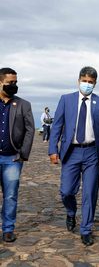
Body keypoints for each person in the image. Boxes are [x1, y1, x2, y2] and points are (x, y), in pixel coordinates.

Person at [49, 66, 99, 246]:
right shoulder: (66, 100)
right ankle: (71, 212)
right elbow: (57, 126)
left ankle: (86, 229)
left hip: (93, 152)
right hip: (71, 152)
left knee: (90, 192)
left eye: (90, 82)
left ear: (95, 83)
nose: (87, 84)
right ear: (78, 81)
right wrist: (53, 149)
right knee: (66, 191)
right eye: (84, 81)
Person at [0, 67, 35, 242]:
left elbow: (30, 130)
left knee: (11, 195)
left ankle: (8, 228)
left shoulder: (23, 104)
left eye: (15, 83)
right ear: (0, 82)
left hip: (12, 158)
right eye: (9, 83)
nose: (13, 86)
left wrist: (23, 153)